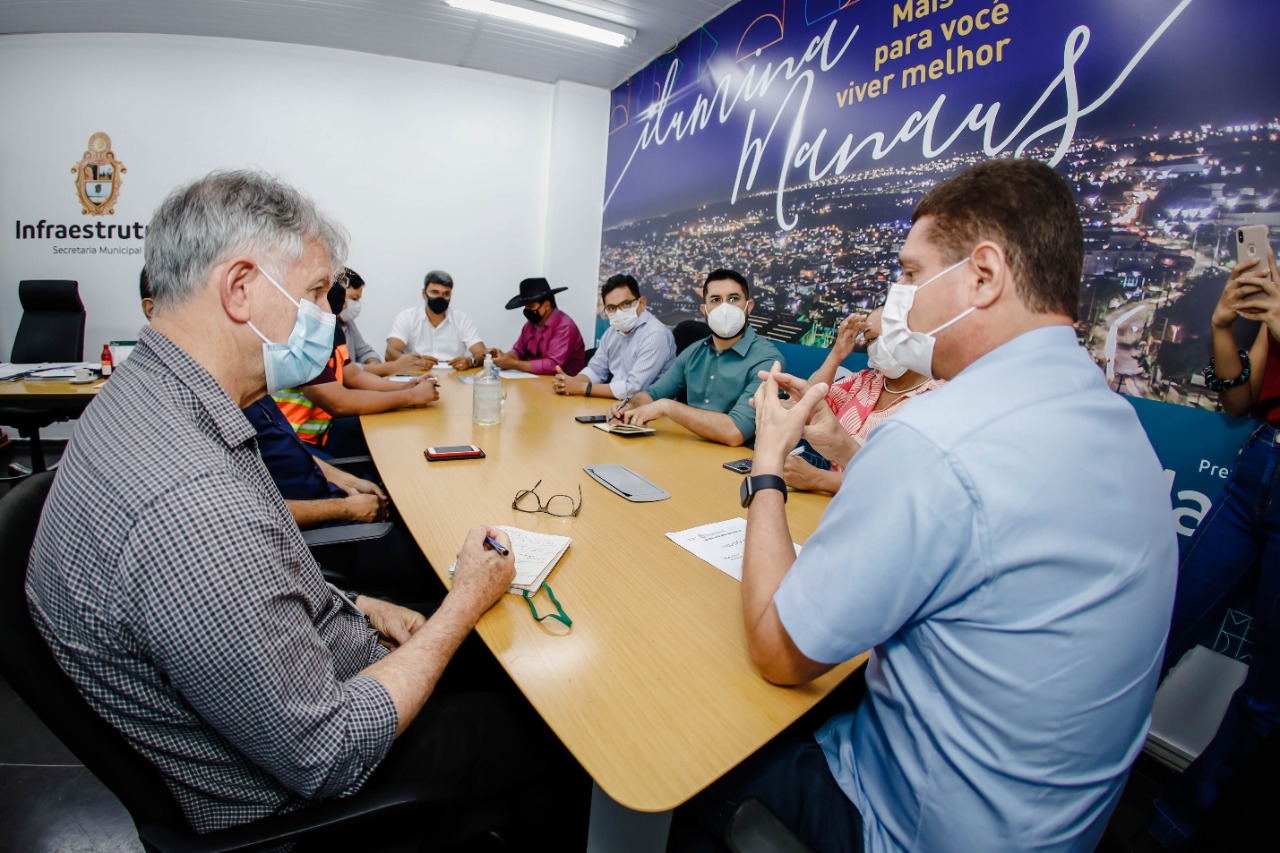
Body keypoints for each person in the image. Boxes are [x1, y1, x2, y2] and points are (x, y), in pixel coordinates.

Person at [26, 169, 582, 841]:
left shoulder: (157, 400)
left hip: (307, 677)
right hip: (309, 793)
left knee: (491, 658)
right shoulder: (192, 504)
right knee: (555, 724)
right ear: (240, 288)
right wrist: (463, 604)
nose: (327, 313)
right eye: (317, 291)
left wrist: (361, 607)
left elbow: (259, 580)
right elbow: (328, 754)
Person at [685, 159, 1178, 852]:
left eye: (912, 274)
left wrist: (767, 465)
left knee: (688, 749)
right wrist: (849, 453)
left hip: (899, 826)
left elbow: (778, 650)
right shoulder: (1120, 426)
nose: (901, 301)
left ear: (984, 276)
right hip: (1053, 827)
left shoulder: (935, 436)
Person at [1146, 243, 1280, 849]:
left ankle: (1178, 826)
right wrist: (1225, 325)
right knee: (1158, 625)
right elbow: (1237, 399)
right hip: (1260, 463)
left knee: (1266, 697)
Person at [242, 396, 440, 600]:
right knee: (434, 561)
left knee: (420, 514)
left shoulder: (255, 398)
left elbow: (296, 450)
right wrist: (347, 508)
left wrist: (349, 481)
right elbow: (245, 513)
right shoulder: (230, 419)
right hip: (320, 539)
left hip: (333, 503)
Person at [610, 269, 782, 447]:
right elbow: (653, 394)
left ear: (749, 306)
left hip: (740, 459)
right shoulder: (694, 352)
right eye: (715, 300)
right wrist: (630, 407)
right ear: (704, 310)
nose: (724, 308)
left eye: (733, 299)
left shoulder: (768, 361)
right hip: (691, 449)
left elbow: (735, 432)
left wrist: (667, 407)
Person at [273, 279, 439, 458]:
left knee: (392, 437)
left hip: (322, 431)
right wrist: (411, 396)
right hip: (291, 440)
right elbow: (338, 403)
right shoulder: (301, 333)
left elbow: (354, 376)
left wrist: (408, 386)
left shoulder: (332, 328)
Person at [783, 307, 943, 493]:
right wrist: (836, 355)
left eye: (890, 332)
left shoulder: (940, 396)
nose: (882, 344)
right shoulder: (862, 382)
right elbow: (799, 409)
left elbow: (910, 482)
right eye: (872, 339)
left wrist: (818, 479)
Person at [552, 273, 676, 399]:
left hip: (651, 406)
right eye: (611, 308)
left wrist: (582, 388)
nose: (619, 312)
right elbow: (596, 370)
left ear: (642, 303)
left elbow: (633, 388)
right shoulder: (612, 332)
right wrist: (570, 383)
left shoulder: (655, 334)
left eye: (626, 304)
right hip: (617, 404)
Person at [385, 270, 489, 370]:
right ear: (424, 294)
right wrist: (416, 361)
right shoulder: (407, 316)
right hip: (416, 373)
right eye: (435, 292)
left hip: (453, 374)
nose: (440, 298)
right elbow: (390, 354)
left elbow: (484, 354)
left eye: (446, 294)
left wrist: (470, 361)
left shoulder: (462, 319)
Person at [490, 276, 585, 376]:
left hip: (563, 383)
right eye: (526, 307)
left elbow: (553, 365)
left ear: (546, 305)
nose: (528, 311)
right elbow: (518, 351)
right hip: (535, 380)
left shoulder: (565, 326)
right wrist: (506, 358)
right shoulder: (530, 325)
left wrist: (513, 364)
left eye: (531, 307)